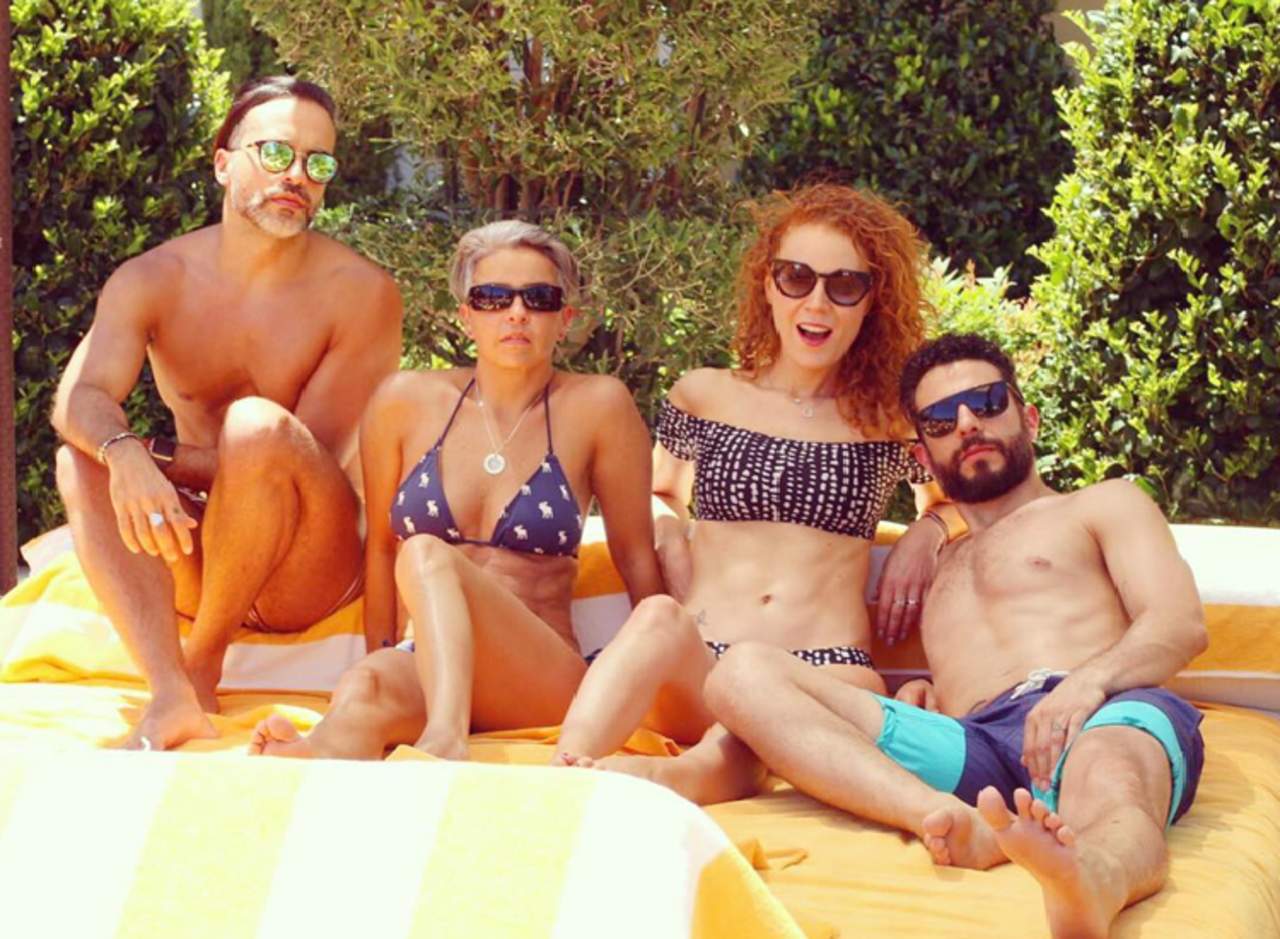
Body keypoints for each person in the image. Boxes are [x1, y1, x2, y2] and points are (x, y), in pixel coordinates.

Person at [706, 332, 1207, 939]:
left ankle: (1095, 878)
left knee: (1107, 769)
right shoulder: (939, 565)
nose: (967, 423)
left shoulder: (1101, 505)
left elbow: (1178, 623)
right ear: (923, 456)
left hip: (1100, 710)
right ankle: (943, 817)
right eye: (941, 419)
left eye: (987, 401)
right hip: (978, 744)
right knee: (742, 673)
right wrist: (927, 694)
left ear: (1028, 418)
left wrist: (1086, 684)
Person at [550, 184, 960, 803]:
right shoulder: (705, 395)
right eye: (796, 277)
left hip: (824, 669)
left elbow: (962, 503)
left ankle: (674, 783)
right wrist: (671, 534)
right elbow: (660, 492)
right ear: (768, 285)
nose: (816, 302)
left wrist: (925, 534)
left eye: (844, 285)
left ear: (872, 300)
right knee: (656, 616)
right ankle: (563, 773)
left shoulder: (892, 420)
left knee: (766, 713)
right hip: (704, 654)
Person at [51, 76, 403, 752]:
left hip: (307, 560)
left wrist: (151, 454)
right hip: (198, 548)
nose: (296, 176)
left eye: (318, 164)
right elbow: (79, 397)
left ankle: (203, 663)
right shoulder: (153, 279)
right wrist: (123, 453)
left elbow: (298, 458)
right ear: (222, 163)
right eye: (275, 153)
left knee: (255, 425)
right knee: (82, 460)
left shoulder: (361, 293)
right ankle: (171, 694)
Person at [249, 220, 665, 760]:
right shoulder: (403, 401)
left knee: (425, 552)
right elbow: (380, 551)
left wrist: (657, 687)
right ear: (466, 315)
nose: (516, 313)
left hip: (541, 678)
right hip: (427, 659)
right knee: (366, 689)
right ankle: (312, 756)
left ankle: (445, 739)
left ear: (564, 319)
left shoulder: (598, 406)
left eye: (538, 299)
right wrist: (381, 656)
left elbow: (636, 557)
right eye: (493, 298)